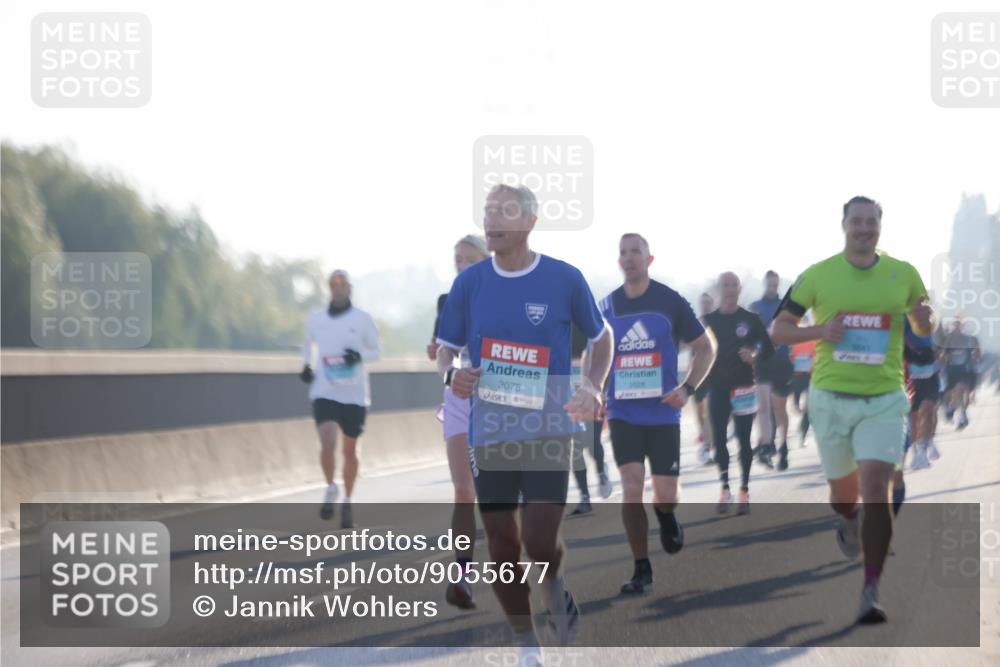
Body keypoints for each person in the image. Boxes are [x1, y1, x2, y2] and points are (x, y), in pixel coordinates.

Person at [435, 184, 612, 661]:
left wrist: (592, 385)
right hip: (489, 430)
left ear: (530, 222)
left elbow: (602, 336)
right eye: (488, 211)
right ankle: (524, 640)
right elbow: (445, 348)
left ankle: (552, 581)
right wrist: (453, 374)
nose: (493, 220)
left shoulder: (563, 278)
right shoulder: (469, 284)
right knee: (501, 543)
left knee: (537, 539)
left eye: (505, 212)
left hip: (549, 429)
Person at [772, 195, 933, 624]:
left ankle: (870, 588)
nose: (864, 228)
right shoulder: (818, 275)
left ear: (880, 226)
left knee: (876, 488)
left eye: (871, 222)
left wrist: (923, 319)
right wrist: (821, 329)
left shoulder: (904, 274)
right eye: (857, 221)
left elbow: (923, 325)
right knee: (845, 497)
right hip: (831, 399)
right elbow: (779, 329)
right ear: (844, 225)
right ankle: (848, 519)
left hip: (884, 398)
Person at [599, 233, 715, 594]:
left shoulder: (669, 302)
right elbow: (592, 352)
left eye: (636, 252)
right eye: (623, 253)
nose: (629, 258)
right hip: (622, 413)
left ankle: (666, 516)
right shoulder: (605, 307)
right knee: (631, 487)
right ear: (619, 261)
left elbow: (705, 348)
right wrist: (594, 391)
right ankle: (641, 568)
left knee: (665, 494)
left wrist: (687, 389)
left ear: (649, 260)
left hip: (663, 413)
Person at [426, 234, 490, 609]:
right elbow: (442, 350)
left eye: (468, 259)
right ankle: (464, 578)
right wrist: (441, 359)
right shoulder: (447, 301)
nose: (461, 266)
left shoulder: (502, 299)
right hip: (459, 396)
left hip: (499, 397)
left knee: (499, 497)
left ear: (485, 260)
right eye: (457, 260)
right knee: (464, 491)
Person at [300, 270, 381, 528]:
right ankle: (330, 487)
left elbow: (377, 351)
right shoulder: (316, 318)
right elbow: (307, 344)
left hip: (354, 394)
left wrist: (358, 357)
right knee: (326, 440)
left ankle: (347, 499)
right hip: (325, 390)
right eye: (333, 284)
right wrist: (306, 366)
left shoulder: (363, 319)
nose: (337, 288)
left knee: (350, 449)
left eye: (342, 284)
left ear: (349, 288)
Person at [702, 272, 775, 515]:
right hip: (718, 387)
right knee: (719, 441)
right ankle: (725, 488)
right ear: (719, 289)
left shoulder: (750, 319)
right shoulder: (709, 320)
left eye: (734, 285)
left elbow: (767, 347)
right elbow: (699, 350)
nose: (730, 289)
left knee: (744, 440)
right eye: (726, 285)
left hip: (744, 386)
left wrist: (755, 354)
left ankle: (744, 490)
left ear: (740, 289)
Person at [750, 271, 794, 470]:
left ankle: (784, 445)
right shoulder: (755, 307)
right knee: (763, 406)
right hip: (762, 362)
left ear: (778, 285)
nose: (772, 287)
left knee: (780, 408)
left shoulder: (786, 306)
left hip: (782, 362)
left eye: (775, 284)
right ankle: (767, 445)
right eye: (769, 284)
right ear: (765, 283)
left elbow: (794, 330)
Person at [568, 324, 613, 517]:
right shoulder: (556, 324)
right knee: (575, 448)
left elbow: (603, 361)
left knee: (592, 442)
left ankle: (601, 472)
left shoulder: (590, 328)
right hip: (567, 397)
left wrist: (600, 395)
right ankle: (584, 497)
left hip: (590, 394)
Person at [904, 318, 941, 470]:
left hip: (930, 373)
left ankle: (926, 444)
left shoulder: (927, 315)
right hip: (910, 376)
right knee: (914, 418)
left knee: (928, 411)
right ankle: (917, 453)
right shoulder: (899, 316)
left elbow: (938, 345)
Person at [936, 318, 981, 430]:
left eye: (958, 325)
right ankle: (951, 409)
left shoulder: (970, 339)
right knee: (951, 392)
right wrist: (941, 367)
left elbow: (977, 351)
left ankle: (963, 414)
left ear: (962, 326)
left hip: (966, 370)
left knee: (963, 390)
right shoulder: (948, 339)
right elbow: (943, 355)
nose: (956, 327)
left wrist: (975, 356)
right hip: (952, 370)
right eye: (954, 325)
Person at [695, 292, 716, 465]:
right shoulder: (695, 322)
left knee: (709, 411)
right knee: (699, 412)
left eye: (708, 302)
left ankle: (707, 446)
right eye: (703, 302)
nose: (705, 305)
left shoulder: (717, 322)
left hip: (714, 373)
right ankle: (705, 438)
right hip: (696, 373)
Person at [789, 334, 816, 447]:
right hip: (797, 377)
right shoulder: (793, 342)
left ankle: (803, 435)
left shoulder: (815, 341)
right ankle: (802, 430)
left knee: (808, 409)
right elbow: (789, 358)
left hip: (811, 377)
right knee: (797, 407)